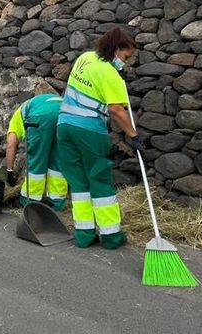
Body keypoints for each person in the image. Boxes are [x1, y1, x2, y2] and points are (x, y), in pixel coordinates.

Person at [57, 28, 142, 249]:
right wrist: (133, 136)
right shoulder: (110, 74)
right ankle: (111, 236)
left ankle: (84, 235)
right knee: (100, 180)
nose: (126, 62)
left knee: (78, 182)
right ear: (116, 50)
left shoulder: (85, 58)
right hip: (89, 130)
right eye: (126, 57)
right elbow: (116, 109)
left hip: (64, 125)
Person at [5, 93, 68, 211]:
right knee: (59, 160)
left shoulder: (17, 118)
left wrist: (9, 171)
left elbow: (11, 145)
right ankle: (58, 202)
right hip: (67, 112)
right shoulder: (35, 103)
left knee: (37, 160)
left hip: (41, 117)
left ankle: (29, 201)